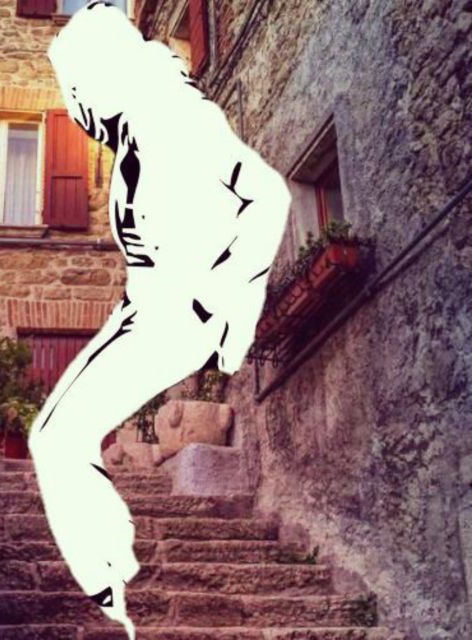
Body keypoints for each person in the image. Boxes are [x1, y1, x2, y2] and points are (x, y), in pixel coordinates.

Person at [28, 3, 291, 637]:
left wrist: (232, 311)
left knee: (55, 438)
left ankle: (114, 588)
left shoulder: (177, 118)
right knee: (55, 438)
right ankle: (113, 573)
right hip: (146, 310)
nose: (76, 107)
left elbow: (268, 194)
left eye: (76, 89)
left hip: (180, 314)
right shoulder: (134, 134)